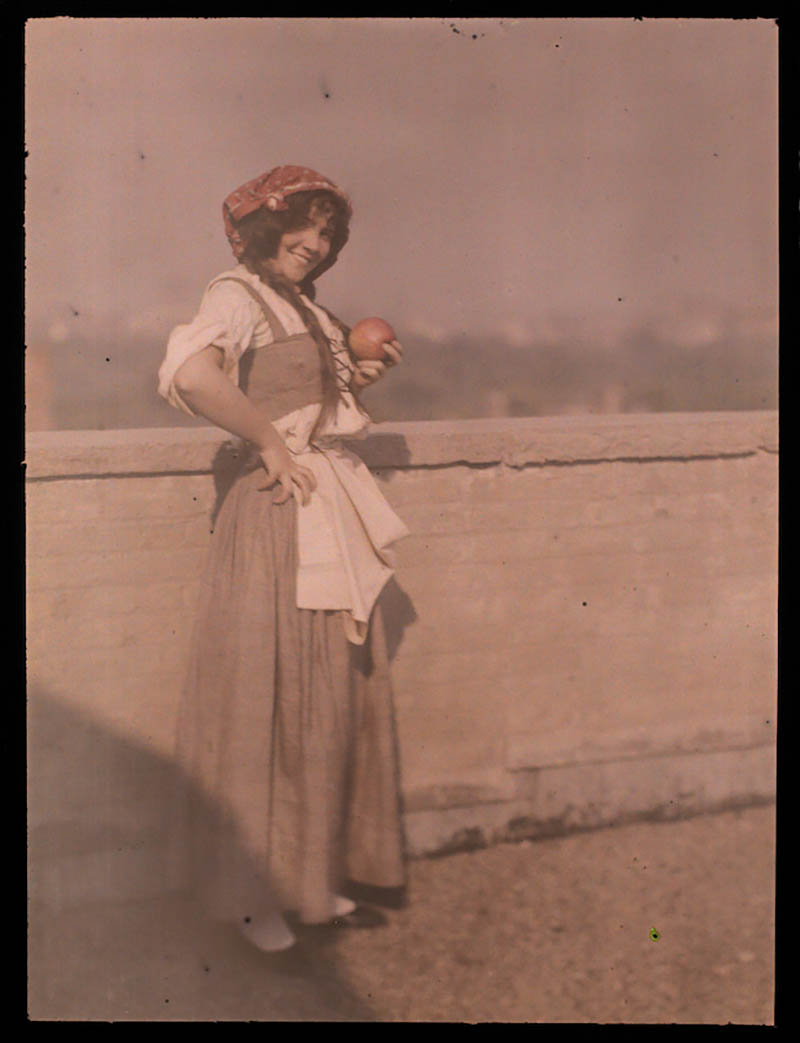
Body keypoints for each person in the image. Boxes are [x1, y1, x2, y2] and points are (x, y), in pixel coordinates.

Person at [158, 165, 409, 953]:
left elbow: (301, 397)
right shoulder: (234, 294)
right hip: (274, 518)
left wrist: (356, 377)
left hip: (319, 510)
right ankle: (249, 898)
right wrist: (266, 439)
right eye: (301, 224)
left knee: (324, 694)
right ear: (263, 227)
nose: (316, 241)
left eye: (327, 231)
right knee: (265, 699)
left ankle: (308, 882)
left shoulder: (304, 307)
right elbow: (193, 375)